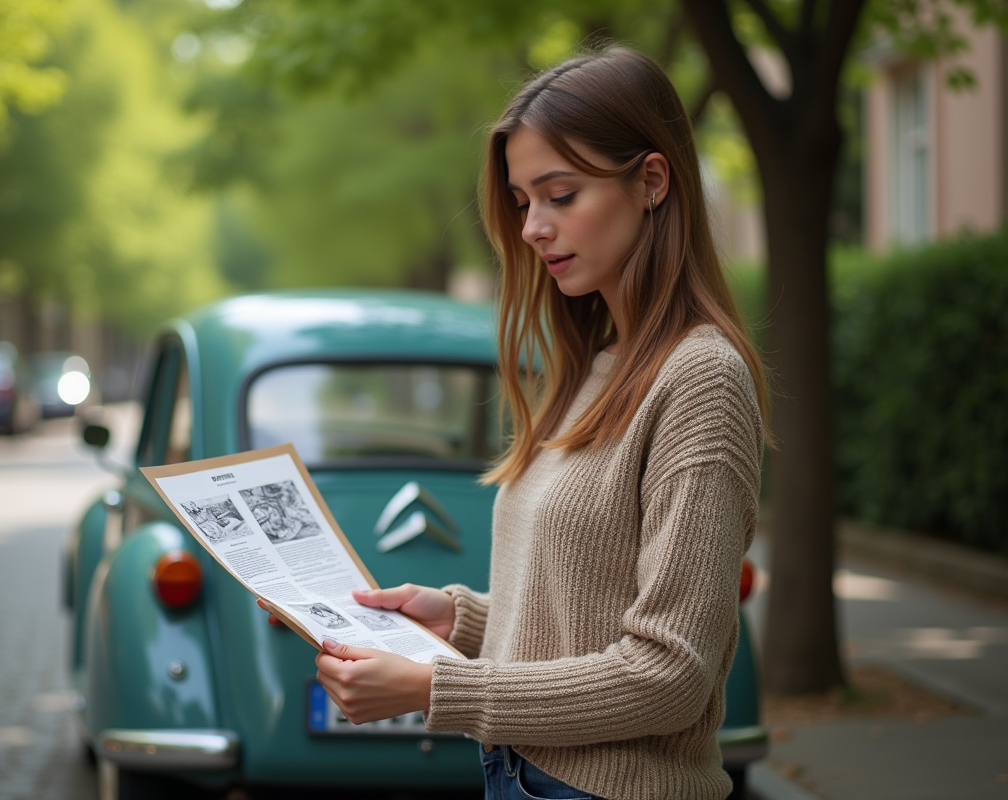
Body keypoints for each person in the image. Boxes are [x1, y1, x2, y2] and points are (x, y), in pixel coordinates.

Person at [308, 46, 770, 800]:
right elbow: (580, 614)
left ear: (653, 181)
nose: (532, 228)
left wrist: (437, 691)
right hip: (524, 777)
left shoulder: (700, 378)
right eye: (524, 201)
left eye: (560, 194)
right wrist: (454, 616)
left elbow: (669, 675)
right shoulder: (593, 366)